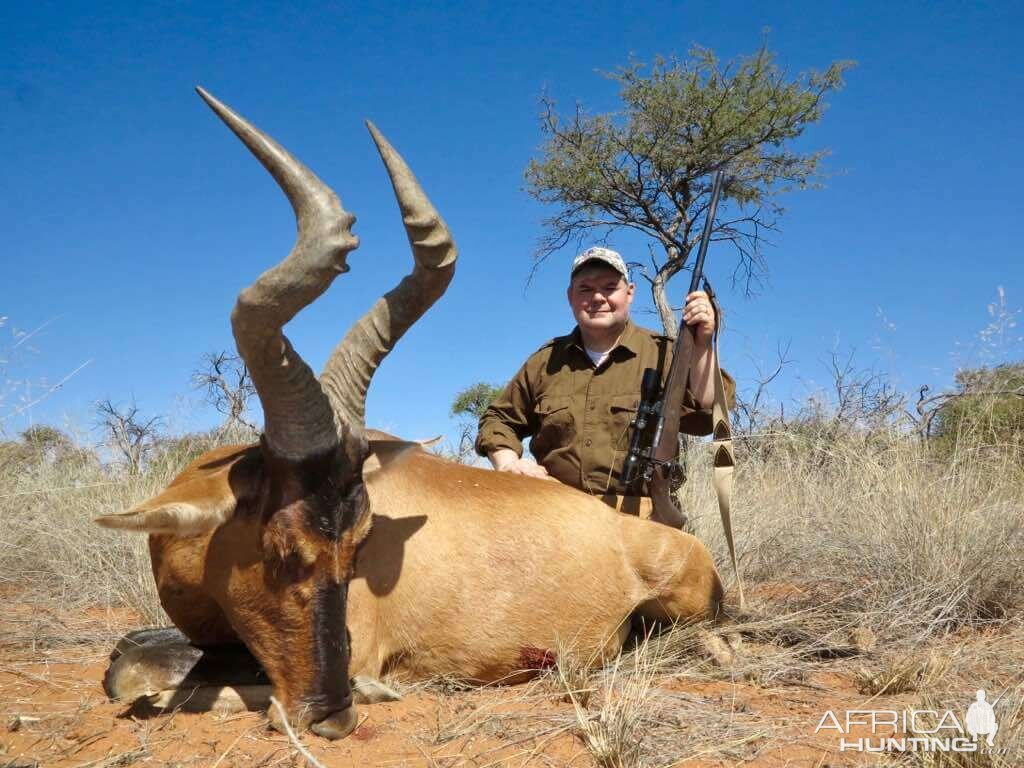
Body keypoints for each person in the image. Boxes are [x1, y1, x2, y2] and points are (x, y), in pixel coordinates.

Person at [475, 246, 735, 515]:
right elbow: (498, 419)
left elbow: (710, 414)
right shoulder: (544, 361)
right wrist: (508, 462)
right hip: (555, 514)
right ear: (570, 297)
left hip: (641, 519)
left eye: (610, 287)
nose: (598, 298)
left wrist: (703, 344)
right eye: (585, 289)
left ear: (630, 292)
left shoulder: (665, 354)